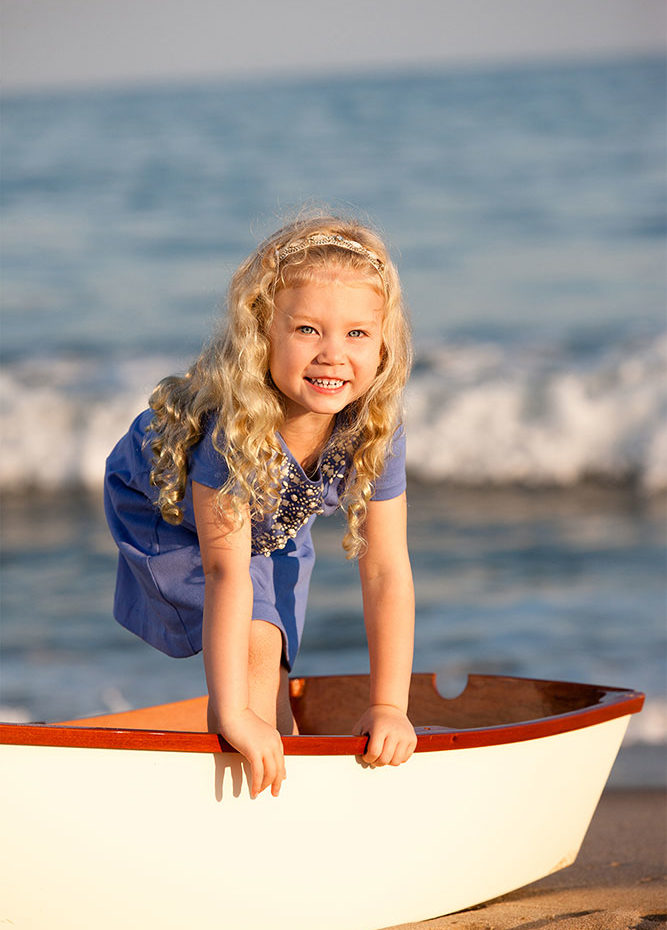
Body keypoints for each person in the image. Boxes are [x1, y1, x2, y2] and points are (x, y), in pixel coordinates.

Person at [104, 213, 416, 799]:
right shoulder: (236, 431)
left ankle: (275, 782)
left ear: (383, 345)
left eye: (356, 334)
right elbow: (226, 572)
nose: (332, 355)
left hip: (276, 514)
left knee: (269, 657)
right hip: (165, 502)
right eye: (306, 330)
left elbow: (386, 569)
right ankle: (233, 759)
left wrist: (388, 706)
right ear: (262, 333)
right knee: (249, 655)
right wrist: (233, 714)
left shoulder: (374, 428)